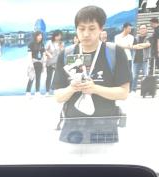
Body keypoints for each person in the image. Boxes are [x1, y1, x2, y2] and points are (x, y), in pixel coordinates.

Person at [53, 5, 131, 141]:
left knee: (104, 156)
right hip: (72, 127)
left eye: (92, 28)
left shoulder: (115, 53)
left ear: (101, 28)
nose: (86, 34)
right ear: (76, 29)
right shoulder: (66, 54)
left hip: (105, 126)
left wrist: (94, 89)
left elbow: (123, 93)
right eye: (81, 29)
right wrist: (72, 88)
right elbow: (59, 96)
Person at [130, 24, 152, 93]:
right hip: (136, 59)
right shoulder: (135, 38)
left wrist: (138, 45)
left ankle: (146, 90)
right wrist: (142, 45)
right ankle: (133, 90)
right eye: (141, 28)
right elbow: (133, 47)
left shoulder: (149, 37)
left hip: (145, 59)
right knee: (134, 76)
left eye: (144, 28)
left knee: (146, 76)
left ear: (146, 29)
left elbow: (148, 44)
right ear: (139, 30)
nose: (143, 30)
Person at [26, 31, 46, 95]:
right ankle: (28, 91)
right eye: (39, 35)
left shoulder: (42, 44)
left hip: (40, 62)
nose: (40, 37)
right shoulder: (31, 44)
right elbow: (29, 54)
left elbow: (43, 53)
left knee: (38, 77)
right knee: (31, 77)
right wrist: (30, 63)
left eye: (41, 35)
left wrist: (44, 63)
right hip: (33, 62)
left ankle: (37, 92)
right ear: (36, 36)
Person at [45, 30, 65, 95]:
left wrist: (61, 47)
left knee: (57, 77)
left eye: (60, 36)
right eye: (58, 36)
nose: (59, 37)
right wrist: (49, 54)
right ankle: (47, 91)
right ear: (54, 36)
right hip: (50, 62)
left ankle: (56, 91)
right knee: (49, 77)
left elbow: (63, 52)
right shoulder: (49, 42)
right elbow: (44, 50)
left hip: (58, 62)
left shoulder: (62, 43)